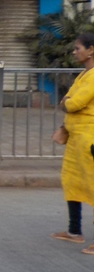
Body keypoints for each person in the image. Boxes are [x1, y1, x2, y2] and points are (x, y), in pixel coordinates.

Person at [51, 33, 94, 255]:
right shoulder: (83, 75)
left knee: (93, 186)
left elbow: (73, 102)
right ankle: (74, 231)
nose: (74, 52)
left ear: (91, 50)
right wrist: (67, 104)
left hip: (90, 139)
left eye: (78, 48)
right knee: (72, 182)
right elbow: (67, 101)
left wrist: (67, 103)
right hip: (76, 138)